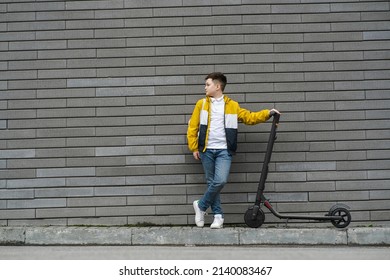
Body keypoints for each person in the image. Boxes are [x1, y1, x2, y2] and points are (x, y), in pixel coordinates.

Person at [187, 72, 280, 229]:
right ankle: (218, 217)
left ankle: (201, 206)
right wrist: (193, 146)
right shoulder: (201, 104)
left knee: (220, 180)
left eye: (207, 84)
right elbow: (193, 126)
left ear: (218, 86)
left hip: (224, 151)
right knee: (212, 182)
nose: (205, 87)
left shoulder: (232, 106)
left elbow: (250, 117)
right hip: (206, 150)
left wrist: (267, 113)